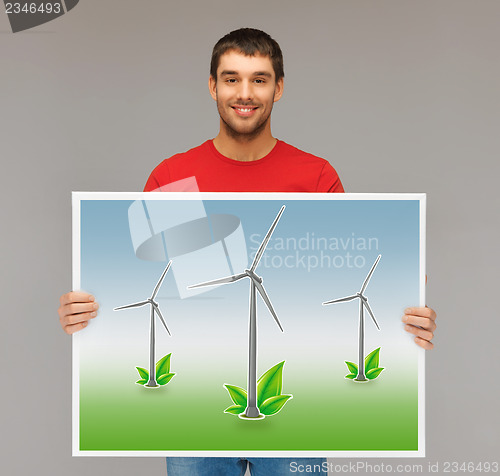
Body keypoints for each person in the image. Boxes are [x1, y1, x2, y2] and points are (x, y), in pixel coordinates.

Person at [58, 28, 437, 475]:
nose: (244, 93)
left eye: (259, 79)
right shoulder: (173, 177)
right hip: (191, 405)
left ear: (279, 88)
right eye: (231, 78)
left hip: (298, 401)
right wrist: (86, 314)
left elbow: (342, 276)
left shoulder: (314, 177)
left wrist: (404, 305)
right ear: (212, 86)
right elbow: (143, 280)